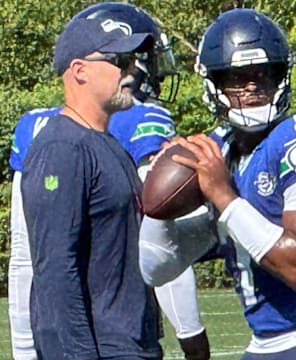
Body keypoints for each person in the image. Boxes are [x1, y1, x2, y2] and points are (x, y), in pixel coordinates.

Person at [139, 7, 296, 360]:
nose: (253, 87)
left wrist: (223, 196)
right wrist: (156, 203)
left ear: (281, 77)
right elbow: (155, 268)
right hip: (265, 342)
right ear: (215, 84)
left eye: (264, 74)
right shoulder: (218, 152)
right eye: (237, 78)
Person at [9, 3, 210, 359]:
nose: (133, 70)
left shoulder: (107, 144)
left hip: (129, 343)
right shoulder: (61, 147)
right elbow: (56, 267)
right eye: (120, 61)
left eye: (133, 60)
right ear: (79, 70)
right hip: (101, 348)